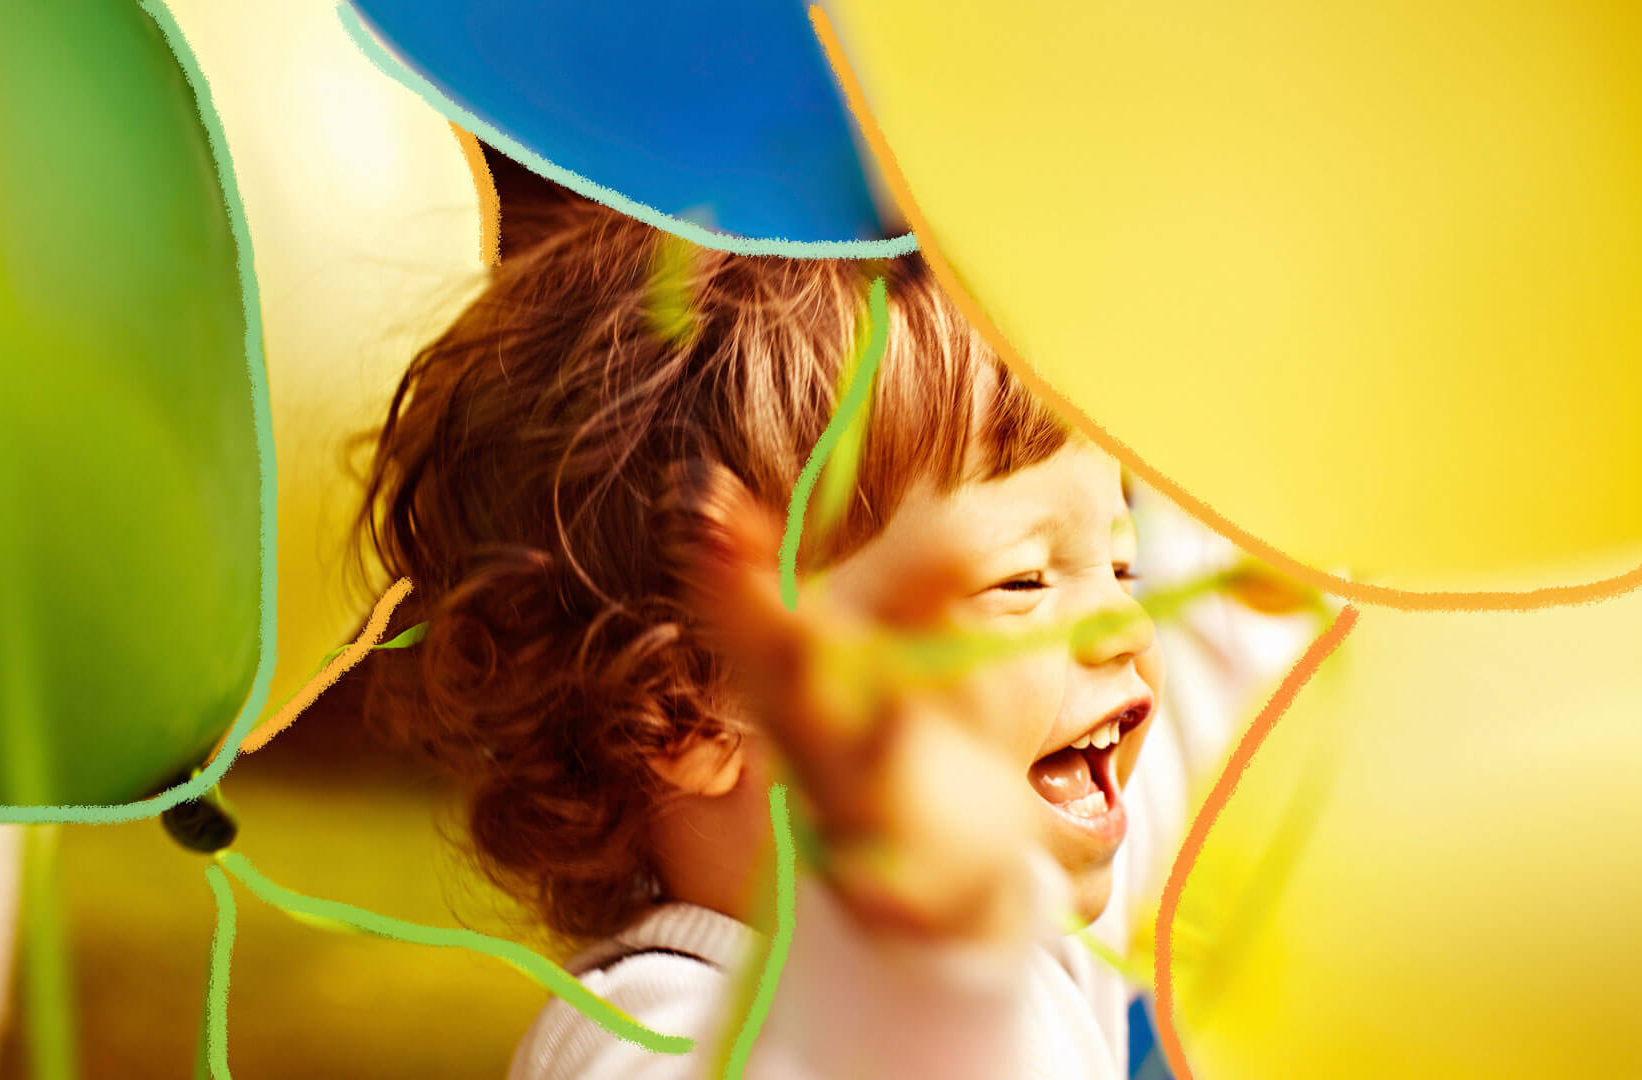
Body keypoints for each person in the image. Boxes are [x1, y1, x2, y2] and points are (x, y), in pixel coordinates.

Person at [348, 198, 1307, 1078]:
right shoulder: (639, 1035)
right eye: (1020, 582)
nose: (1124, 626)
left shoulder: (1041, 910)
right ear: (696, 703)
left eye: (1122, 564)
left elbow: (1232, 646)